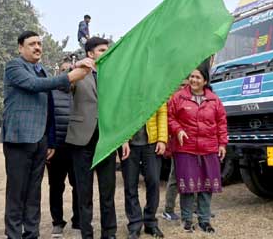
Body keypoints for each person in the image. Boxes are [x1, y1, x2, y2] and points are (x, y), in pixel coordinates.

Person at [3, 31, 93, 239]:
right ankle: (14, 235)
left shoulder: (42, 69)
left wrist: (50, 139)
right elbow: (34, 85)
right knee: (17, 193)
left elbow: (49, 107)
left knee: (34, 192)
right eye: (32, 44)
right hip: (19, 138)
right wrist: (70, 76)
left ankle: (32, 234)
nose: (37, 47)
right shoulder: (14, 67)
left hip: (40, 140)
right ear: (20, 47)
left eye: (39, 44)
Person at [66, 37, 130, 239]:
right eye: (102, 50)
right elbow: (63, 82)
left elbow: (117, 109)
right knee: (83, 192)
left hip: (107, 141)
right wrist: (77, 66)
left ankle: (109, 233)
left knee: (107, 191)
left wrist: (124, 139)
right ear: (90, 54)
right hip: (81, 141)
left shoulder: (112, 76)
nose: (106, 52)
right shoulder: (77, 74)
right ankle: (87, 233)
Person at [168, 65, 227, 234]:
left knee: (206, 186)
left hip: (209, 148)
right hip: (186, 148)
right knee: (188, 186)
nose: (193, 80)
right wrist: (178, 129)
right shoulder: (179, 97)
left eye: (198, 77)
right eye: (192, 77)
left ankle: (204, 220)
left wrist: (222, 144)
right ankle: (187, 220)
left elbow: (221, 123)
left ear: (205, 81)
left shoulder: (214, 100)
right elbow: (170, 117)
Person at [121, 104, 167, 239]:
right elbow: (120, 112)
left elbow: (162, 111)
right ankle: (134, 224)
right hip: (129, 144)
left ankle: (150, 222)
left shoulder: (154, 84)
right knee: (130, 185)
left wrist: (162, 139)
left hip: (151, 143)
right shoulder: (126, 84)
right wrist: (122, 139)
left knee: (153, 182)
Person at [46, 59, 80, 237]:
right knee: (56, 187)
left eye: (70, 69)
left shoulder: (80, 91)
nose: (67, 72)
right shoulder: (50, 92)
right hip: (56, 149)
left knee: (78, 186)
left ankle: (78, 220)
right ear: (58, 72)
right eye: (63, 70)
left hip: (76, 148)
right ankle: (57, 222)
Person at [161, 79, 189, 222]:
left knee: (194, 176)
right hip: (177, 144)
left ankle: (194, 207)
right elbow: (168, 122)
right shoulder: (172, 98)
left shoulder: (192, 97)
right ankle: (168, 209)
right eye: (182, 84)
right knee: (175, 177)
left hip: (193, 144)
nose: (185, 86)